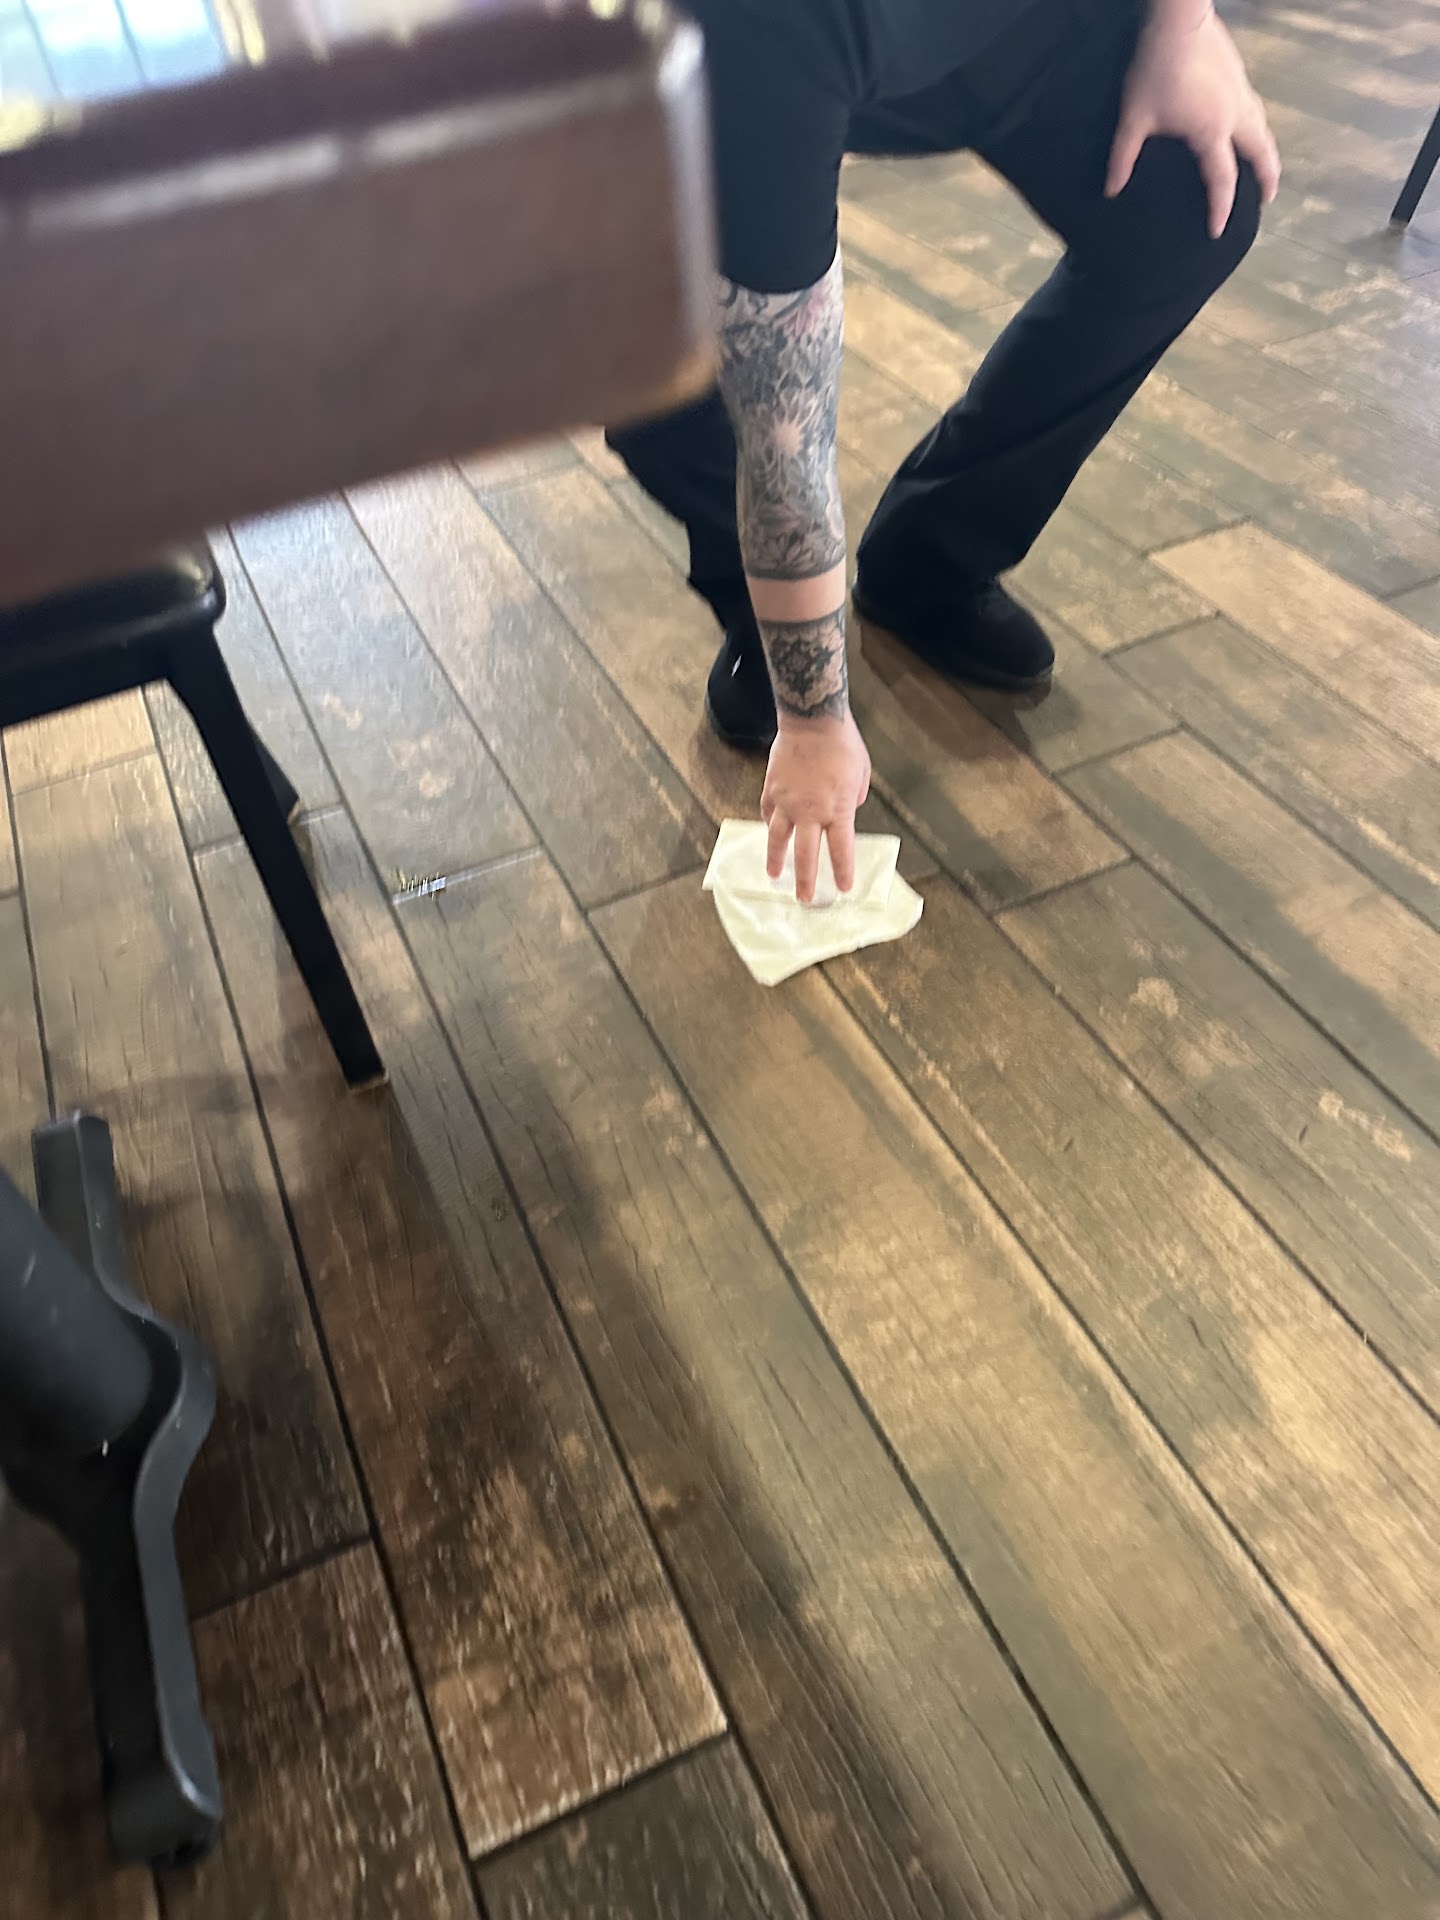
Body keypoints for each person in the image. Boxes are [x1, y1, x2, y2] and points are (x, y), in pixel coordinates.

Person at [608, 0, 1279, 902]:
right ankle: (766, 625)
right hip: (750, 52)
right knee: (645, 360)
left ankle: (930, 558)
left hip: (1019, 29)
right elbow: (783, 430)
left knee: (1191, 205)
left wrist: (1181, 31)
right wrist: (813, 720)